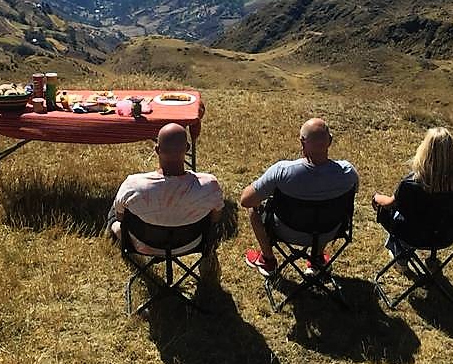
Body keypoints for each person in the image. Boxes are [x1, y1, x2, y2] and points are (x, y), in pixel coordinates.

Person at [240, 117, 358, 277]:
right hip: (330, 230)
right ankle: (317, 259)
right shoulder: (348, 173)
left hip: (286, 230)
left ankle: (267, 259)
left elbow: (246, 201)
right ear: (330, 141)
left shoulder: (282, 171)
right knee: (323, 213)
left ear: (302, 142)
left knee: (254, 210)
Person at [108, 123, 224, 255]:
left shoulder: (132, 185)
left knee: (116, 209)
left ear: (157, 150)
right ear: (187, 148)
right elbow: (215, 219)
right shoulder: (210, 185)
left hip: (142, 245)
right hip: (191, 245)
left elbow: (120, 217)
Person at [372, 127, 453, 262]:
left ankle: (400, 255)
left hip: (413, 235)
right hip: (447, 235)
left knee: (393, 213)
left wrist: (376, 197)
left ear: (425, 151)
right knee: (435, 217)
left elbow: (389, 204)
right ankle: (431, 260)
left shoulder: (411, 184)